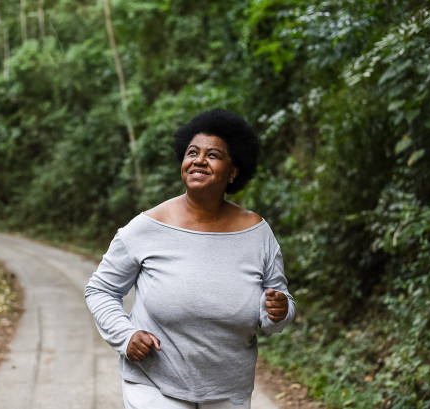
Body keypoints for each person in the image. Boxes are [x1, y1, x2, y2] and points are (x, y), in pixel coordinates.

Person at [85, 108, 295, 409]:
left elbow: (277, 308)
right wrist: (126, 335)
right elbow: (100, 289)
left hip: (228, 389)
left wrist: (279, 310)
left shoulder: (257, 233)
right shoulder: (146, 227)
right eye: (192, 152)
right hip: (155, 383)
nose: (199, 160)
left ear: (233, 171)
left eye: (213, 155)